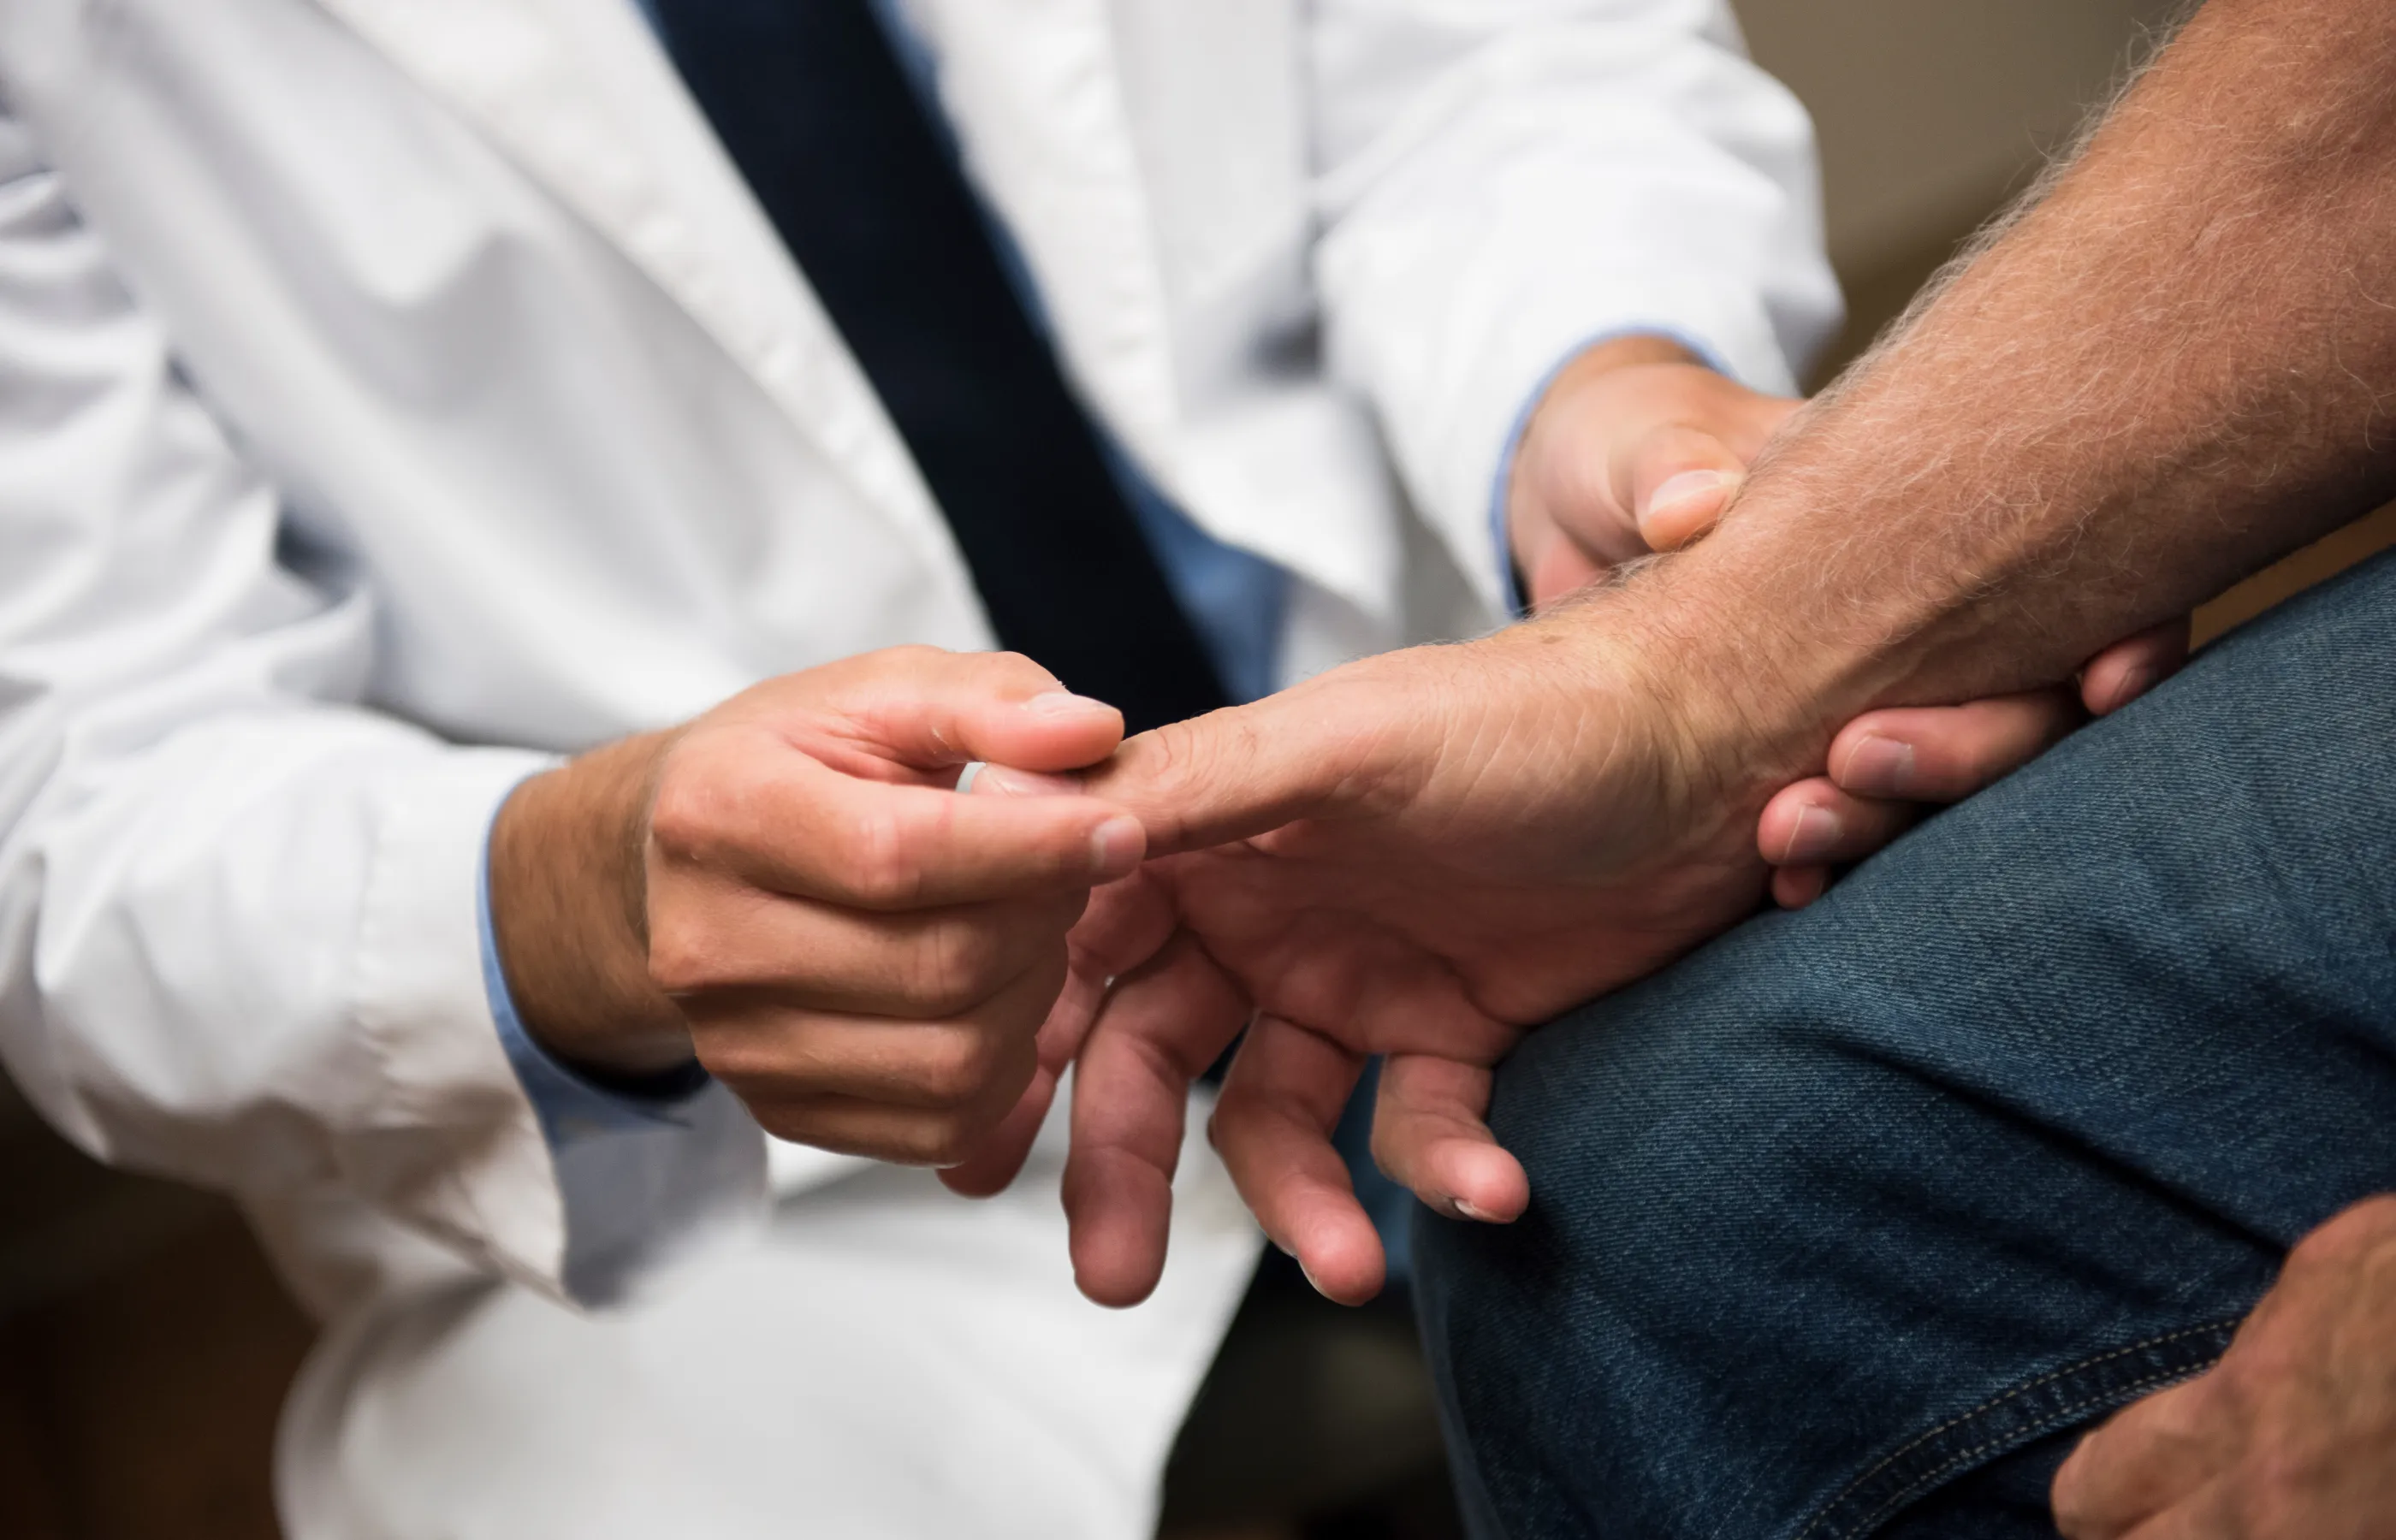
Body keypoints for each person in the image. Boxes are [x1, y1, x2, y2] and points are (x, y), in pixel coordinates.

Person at [0, 0, 1934, 1533]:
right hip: (750, 1204)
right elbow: (81, 800)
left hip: (1512, 789)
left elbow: (1495, 58)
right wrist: (586, 891)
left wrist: (1607, 386)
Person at [971, 0, 2396, 1533]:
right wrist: (1713, 654)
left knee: (1655, 1208)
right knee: (1656, 1178)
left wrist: (1720, 655)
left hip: (1412, 859)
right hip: (921, 1190)